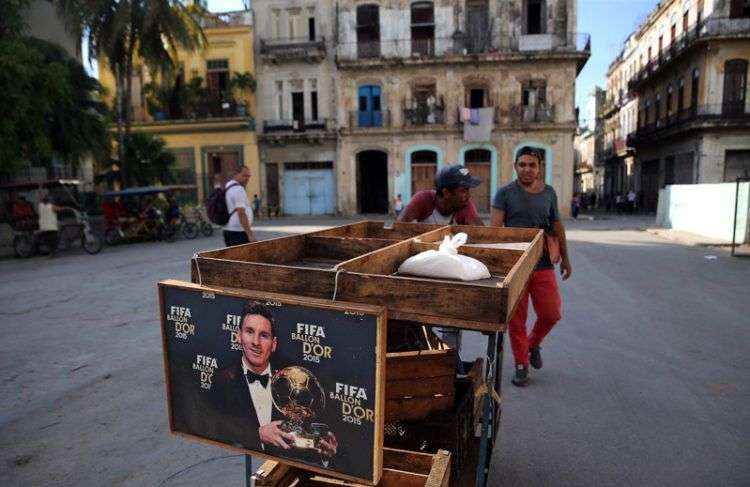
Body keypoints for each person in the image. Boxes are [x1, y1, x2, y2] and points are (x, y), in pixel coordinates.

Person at [213, 302, 338, 461]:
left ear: (274, 344)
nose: (256, 342)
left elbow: (309, 442)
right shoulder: (222, 381)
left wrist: (325, 456)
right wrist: (257, 434)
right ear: (238, 335)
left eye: (264, 335)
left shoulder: (297, 381)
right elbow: (216, 427)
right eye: (249, 332)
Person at [491, 146, 572, 387]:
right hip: (515, 265)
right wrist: (496, 266)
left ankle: (533, 343)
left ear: (539, 168)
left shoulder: (549, 193)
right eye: (522, 164)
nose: (527, 169)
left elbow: (557, 227)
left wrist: (566, 259)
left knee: (551, 313)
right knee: (517, 319)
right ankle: (521, 363)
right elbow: (495, 232)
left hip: (543, 263)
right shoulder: (504, 193)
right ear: (515, 166)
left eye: (532, 165)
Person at [397, 164, 484, 225]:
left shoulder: (464, 204)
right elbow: (399, 227)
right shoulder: (423, 199)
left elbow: (483, 235)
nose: (468, 196)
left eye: (468, 190)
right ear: (446, 193)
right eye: (463, 191)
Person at [223, 166, 257, 246]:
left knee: (232, 258)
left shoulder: (228, 186)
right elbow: (241, 213)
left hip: (228, 229)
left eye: (249, 176)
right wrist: (250, 235)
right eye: (244, 175)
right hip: (238, 232)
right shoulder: (239, 189)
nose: (247, 178)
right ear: (236, 174)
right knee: (242, 258)